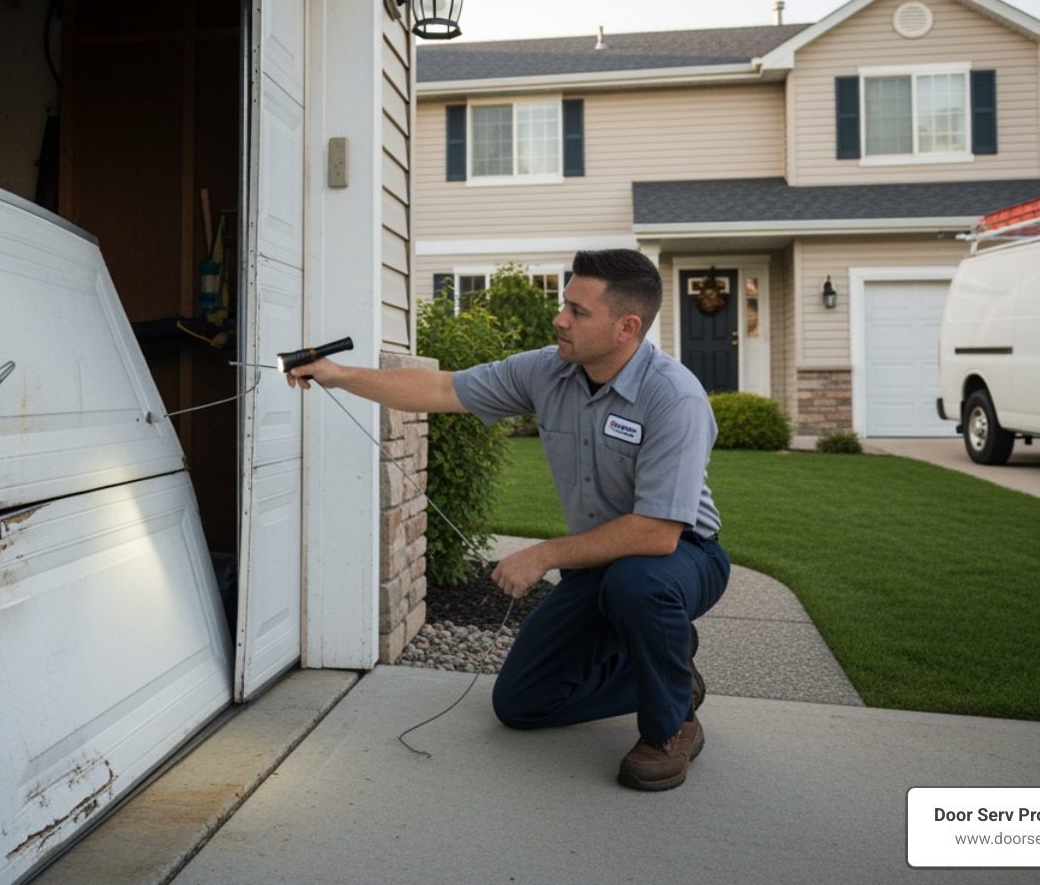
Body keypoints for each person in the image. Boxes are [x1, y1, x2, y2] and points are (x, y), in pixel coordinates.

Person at [285, 248, 729, 791]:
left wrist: (542, 555)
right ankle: (670, 676)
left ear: (626, 327)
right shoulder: (549, 370)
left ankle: (668, 729)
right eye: (564, 304)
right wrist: (339, 375)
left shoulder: (673, 398)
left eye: (577, 312)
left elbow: (658, 534)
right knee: (522, 702)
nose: (559, 319)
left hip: (682, 557)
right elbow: (443, 389)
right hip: (601, 564)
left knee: (637, 582)